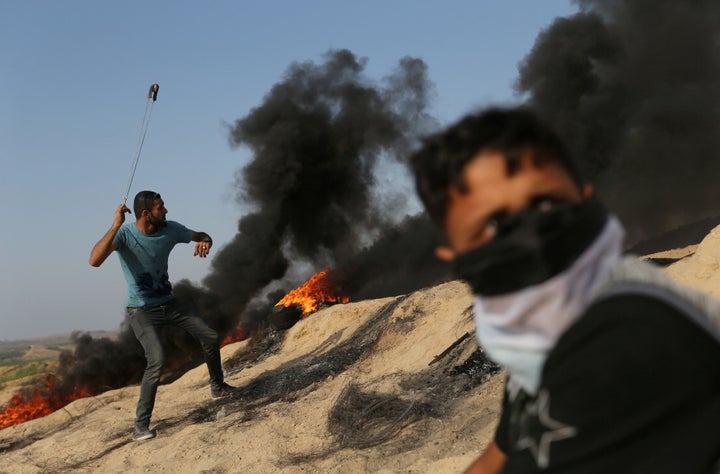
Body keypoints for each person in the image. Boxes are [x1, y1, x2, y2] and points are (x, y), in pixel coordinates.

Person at [410, 107, 720, 473]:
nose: (531, 234)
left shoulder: (628, 339)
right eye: (494, 224)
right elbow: (494, 459)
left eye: (544, 204)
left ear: (586, 199)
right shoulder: (544, 336)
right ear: (454, 258)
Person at [89, 191, 235, 441]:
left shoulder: (171, 229)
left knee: (209, 335)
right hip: (141, 311)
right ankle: (140, 427)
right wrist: (115, 225)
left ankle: (217, 387)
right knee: (156, 360)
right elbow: (94, 260)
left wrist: (207, 241)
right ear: (146, 214)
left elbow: (200, 235)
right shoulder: (124, 235)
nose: (166, 211)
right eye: (161, 207)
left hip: (170, 304)